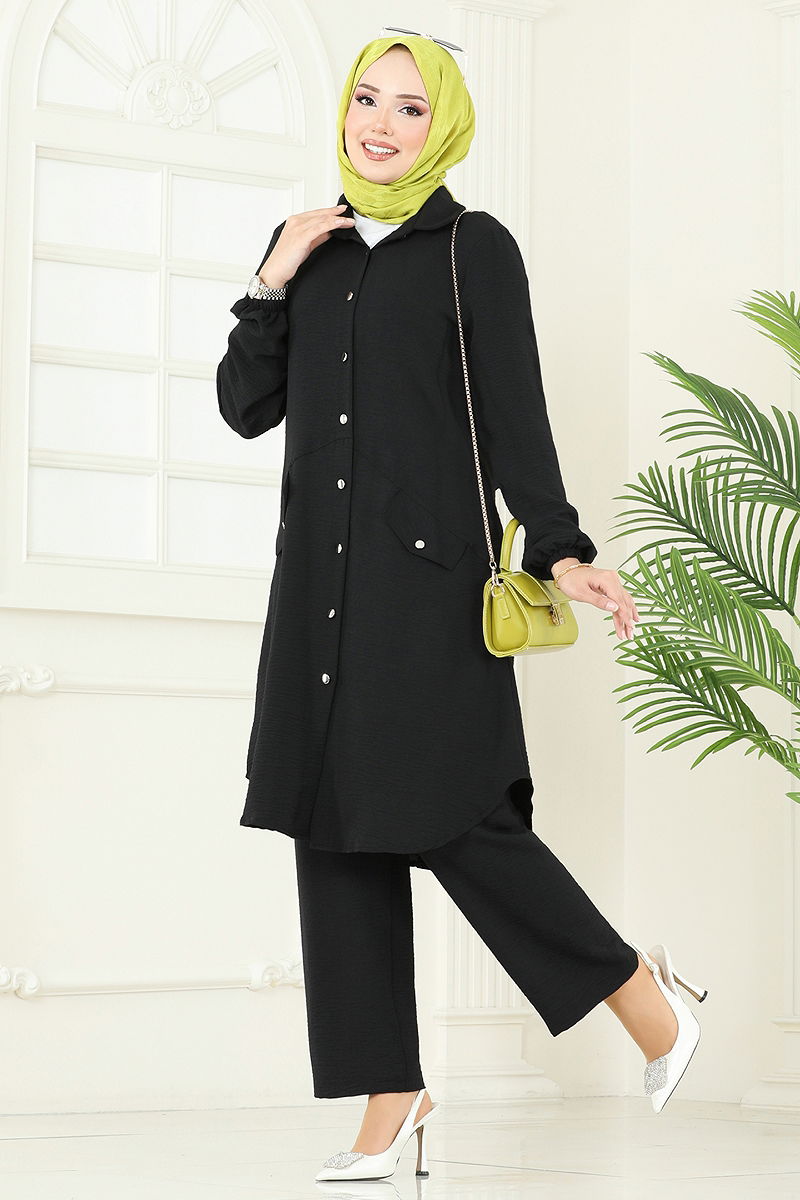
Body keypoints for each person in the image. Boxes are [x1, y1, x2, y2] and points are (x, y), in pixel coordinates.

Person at [216, 31, 707, 1184]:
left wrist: (561, 548)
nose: (380, 124)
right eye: (366, 100)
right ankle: (390, 1096)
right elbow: (245, 406)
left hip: (427, 587)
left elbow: (514, 408)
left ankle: (641, 998)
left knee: (453, 817)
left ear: (442, 125)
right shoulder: (308, 248)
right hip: (317, 589)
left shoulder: (470, 249)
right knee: (330, 825)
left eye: (408, 106)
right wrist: (270, 281)